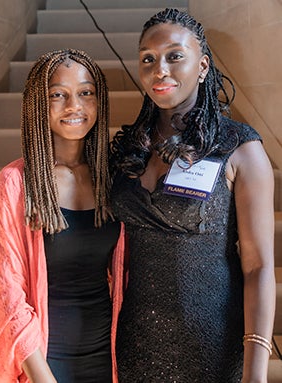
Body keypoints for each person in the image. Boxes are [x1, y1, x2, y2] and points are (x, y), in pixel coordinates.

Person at [110, 8, 276, 383]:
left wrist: (256, 372)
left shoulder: (240, 149)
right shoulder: (128, 151)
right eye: (148, 59)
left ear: (202, 66)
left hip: (213, 350)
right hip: (135, 348)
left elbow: (259, 267)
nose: (160, 70)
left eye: (174, 56)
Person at [0, 48, 127, 383]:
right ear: (38, 103)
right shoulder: (17, 183)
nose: (74, 106)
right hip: (44, 359)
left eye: (85, 93)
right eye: (58, 95)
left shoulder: (114, 178)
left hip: (107, 355)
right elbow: (8, 295)